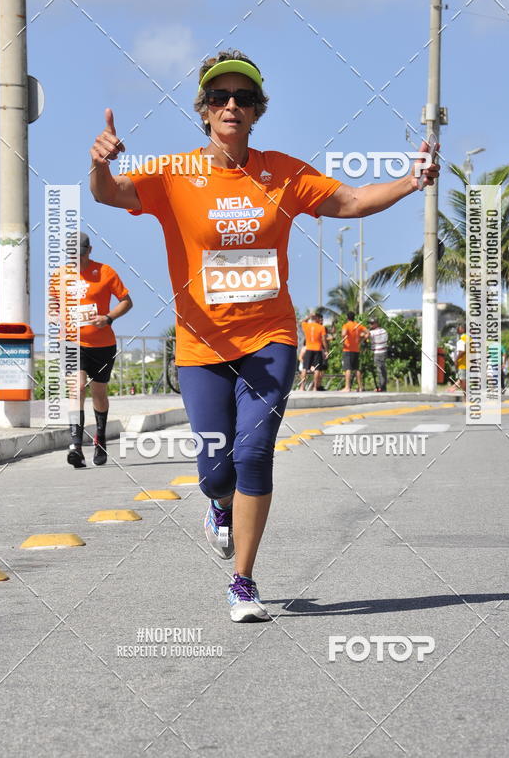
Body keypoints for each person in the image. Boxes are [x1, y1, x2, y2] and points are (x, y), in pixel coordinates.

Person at [88, 49, 439, 622]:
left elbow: (349, 200)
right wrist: (100, 163)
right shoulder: (175, 174)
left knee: (253, 455)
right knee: (215, 472)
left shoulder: (284, 172)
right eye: (221, 97)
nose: (232, 105)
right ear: (204, 111)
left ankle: (243, 581)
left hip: (270, 338)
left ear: (256, 112)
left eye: (244, 98)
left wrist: (410, 181)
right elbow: (110, 193)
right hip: (201, 348)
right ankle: (220, 506)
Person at [50, 232, 133, 468]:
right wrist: (55, 314)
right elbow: (54, 304)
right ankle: (75, 445)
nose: (78, 258)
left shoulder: (105, 272)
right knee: (76, 389)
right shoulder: (59, 276)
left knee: (99, 393)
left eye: (82, 253)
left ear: (90, 250)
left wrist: (107, 318)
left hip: (102, 344)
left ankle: (100, 439)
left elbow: (127, 301)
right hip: (71, 341)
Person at [299, 311, 328, 391]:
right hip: (318, 349)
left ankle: (302, 387)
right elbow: (324, 340)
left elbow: (301, 322)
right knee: (317, 369)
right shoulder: (321, 327)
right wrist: (326, 350)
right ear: (318, 319)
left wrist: (309, 316)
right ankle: (315, 387)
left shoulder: (307, 326)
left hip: (308, 349)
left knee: (304, 368)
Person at [340, 311, 367, 392]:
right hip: (356, 349)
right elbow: (367, 332)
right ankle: (361, 387)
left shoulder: (346, 325)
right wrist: (362, 340)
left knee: (347, 368)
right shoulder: (358, 325)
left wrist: (343, 338)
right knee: (356, 368)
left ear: (347, 318)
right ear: (354, 317)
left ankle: (347, 387)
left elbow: (343, 333)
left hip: (348, 349)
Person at [369, 318, 389, 392]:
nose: (370, 325)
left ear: (376, 323)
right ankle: (383, 386)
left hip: (377, 352)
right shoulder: (384, 331)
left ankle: (381, 387)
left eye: (372, 323)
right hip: (384, 351)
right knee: (383, 369)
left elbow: (365, 335)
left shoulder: (372, 333)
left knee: (379, 370)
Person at [453, 324, 467, 396]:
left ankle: (465, 397)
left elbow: (462, 351)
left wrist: (456, 360)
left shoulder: (462, 339)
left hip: (463, 363)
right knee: (463, 380)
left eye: (459, 328)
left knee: (463, 381)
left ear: (463, 329)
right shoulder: (469, 338)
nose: (457, 329)